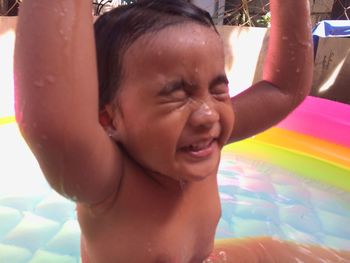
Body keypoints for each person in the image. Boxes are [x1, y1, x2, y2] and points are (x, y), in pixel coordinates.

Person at [14, 0, 350, 262]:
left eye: (219, 90)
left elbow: (284, 88)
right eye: (175, 95)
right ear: (108, 119)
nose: (207, 114)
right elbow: (55, 128)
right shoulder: (108, 182)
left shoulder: (202, 141)